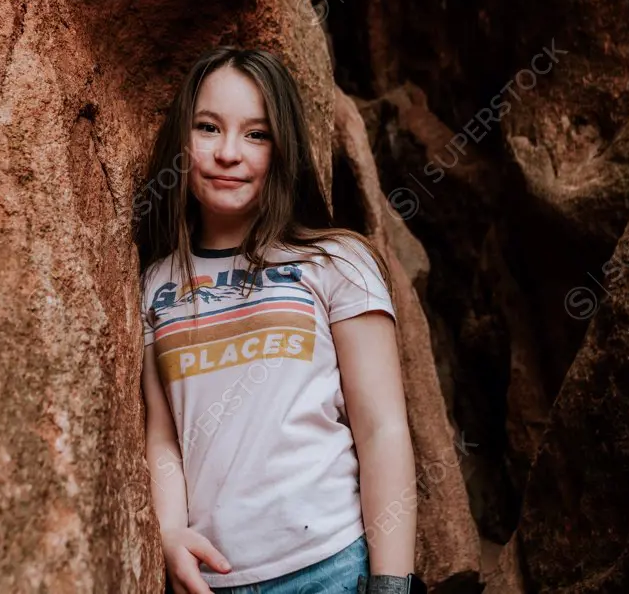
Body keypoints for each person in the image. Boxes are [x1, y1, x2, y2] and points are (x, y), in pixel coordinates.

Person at [136, 46, 425, 594]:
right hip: (211, 579)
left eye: (256, 134)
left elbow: (382, 428)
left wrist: (391, 585)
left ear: (282, 147)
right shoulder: (155, 283)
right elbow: (164, 437)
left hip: (334, 567)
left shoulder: (336, 262)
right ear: (181, 139)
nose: (227, 153)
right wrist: (171, 532)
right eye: (207, 127)